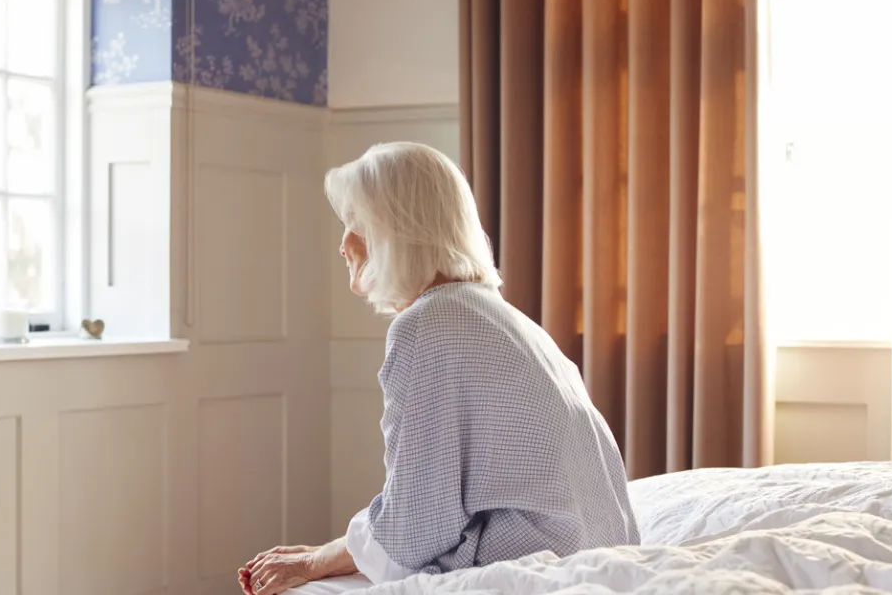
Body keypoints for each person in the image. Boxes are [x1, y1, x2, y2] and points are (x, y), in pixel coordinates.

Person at [238, 142, 639, 595]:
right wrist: (336, 549)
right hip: (588, 551)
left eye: (356, 224)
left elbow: (416, 524)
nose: (343, 243)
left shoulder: (426, 326)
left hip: (532, 564)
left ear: (397, 230)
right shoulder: (496, 314)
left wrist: (318, 559)